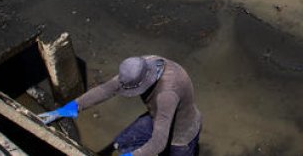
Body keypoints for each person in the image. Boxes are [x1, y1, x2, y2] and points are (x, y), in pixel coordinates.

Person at [38, 55, 202, 156]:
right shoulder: (144, 64)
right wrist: (72, 107)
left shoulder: (167, 95)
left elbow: (159, 141)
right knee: (123, 142)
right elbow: (106, 89)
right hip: (156, 118)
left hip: (181, 135)